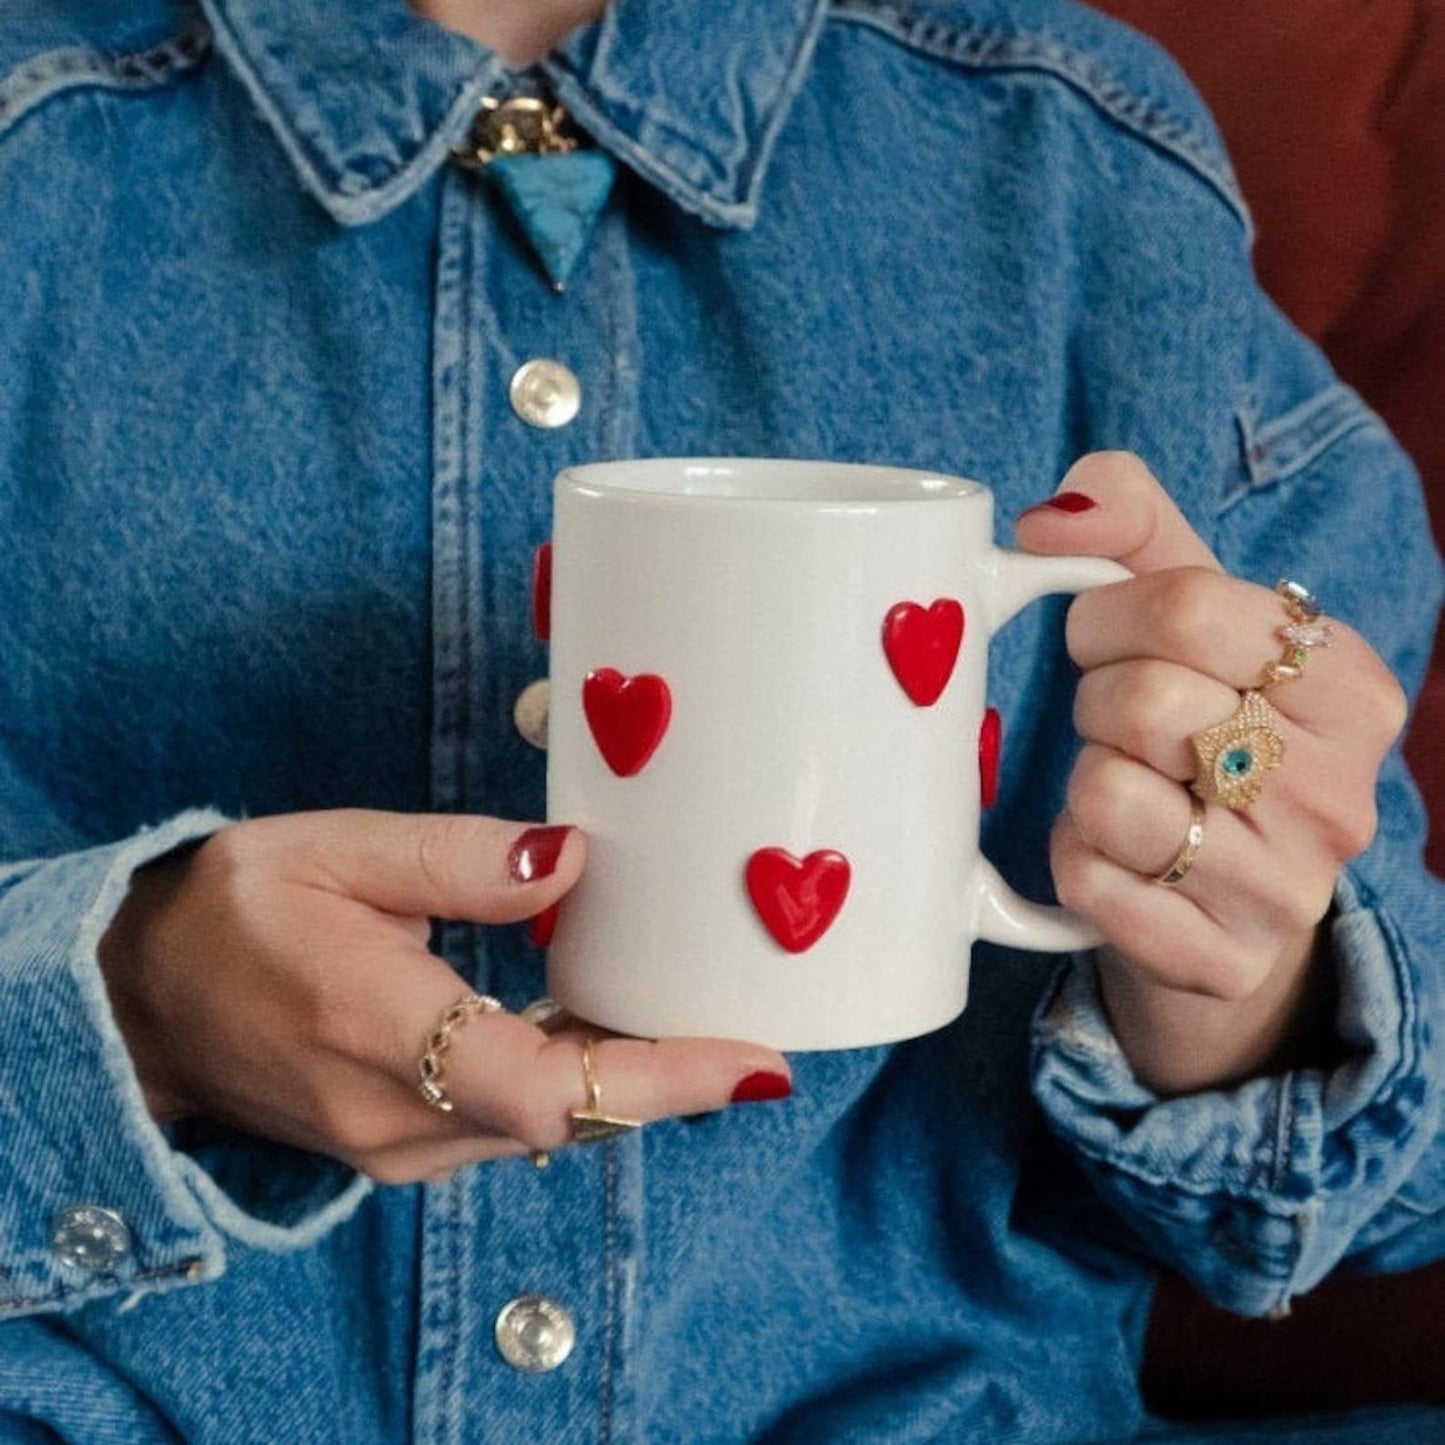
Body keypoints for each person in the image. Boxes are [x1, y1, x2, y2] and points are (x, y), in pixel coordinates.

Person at [1, 0, 1440, 1440]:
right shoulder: (34, 135)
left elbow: (1399, 1187)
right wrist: (132, 997)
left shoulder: (1075, 157)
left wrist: (1235, 985)